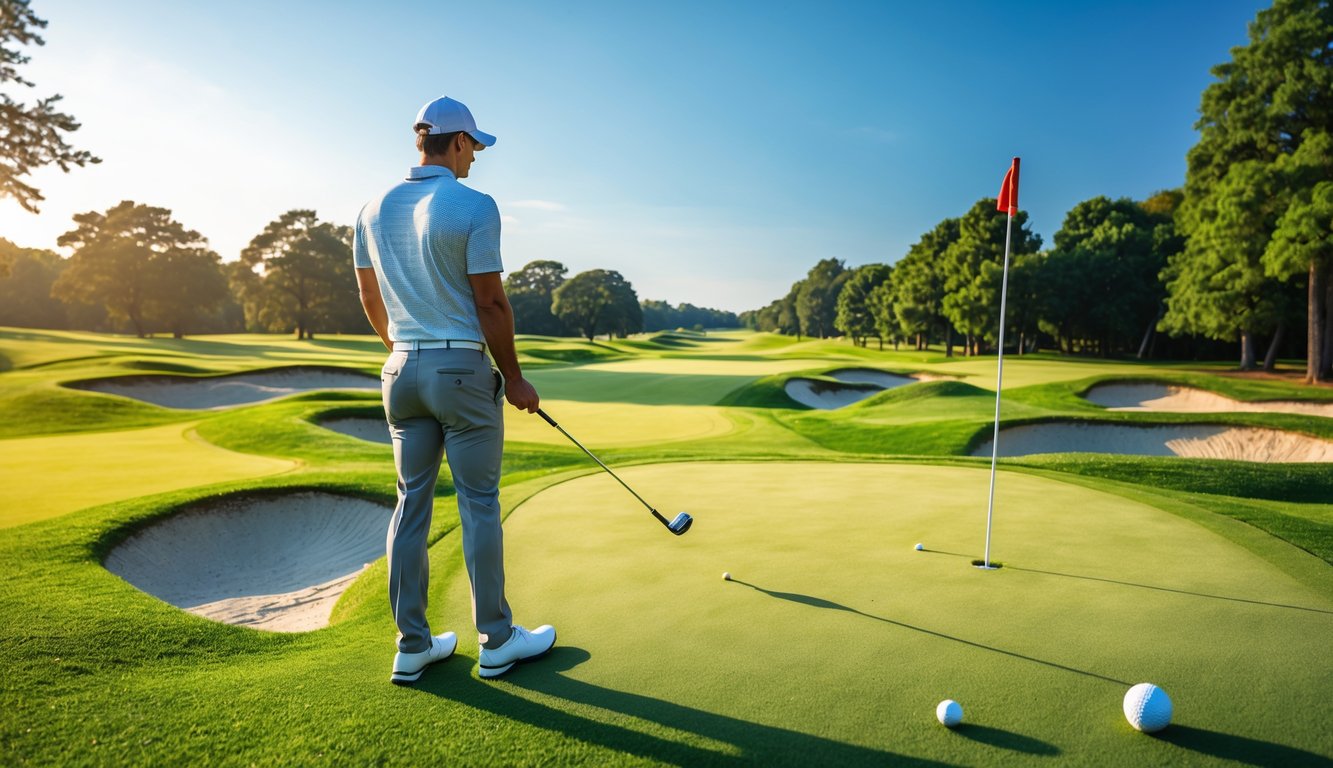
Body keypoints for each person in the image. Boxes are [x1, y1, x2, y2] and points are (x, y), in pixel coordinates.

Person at [354, 95, 555, 685]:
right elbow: (490, 301)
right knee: (479, 505)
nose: (477, 160)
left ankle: (412, 645)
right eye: (476, 148)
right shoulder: (472, 204)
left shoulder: (370, 207)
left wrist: (401, 351)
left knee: (410, 504)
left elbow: (370, 299)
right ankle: (495, 640)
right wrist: (513, 377)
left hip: (401, 370)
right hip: (462, 372)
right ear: (459, 142)